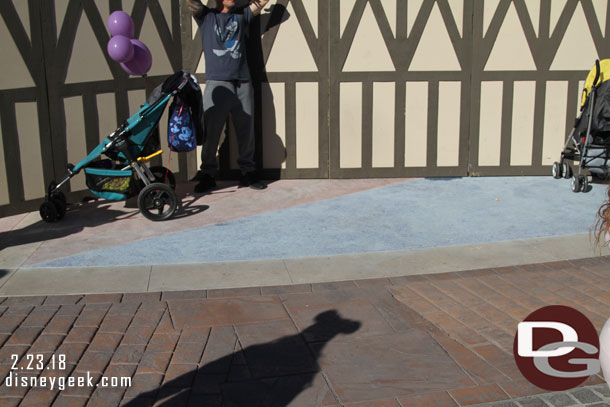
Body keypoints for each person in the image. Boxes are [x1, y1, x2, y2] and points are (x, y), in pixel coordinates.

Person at [187, 0, 270, 192]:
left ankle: (247, 172)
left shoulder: (242, 16)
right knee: (211, 132)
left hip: (243, 82)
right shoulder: (206, 17)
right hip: (217, 84)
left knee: (246, 130)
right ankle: (208, 174)